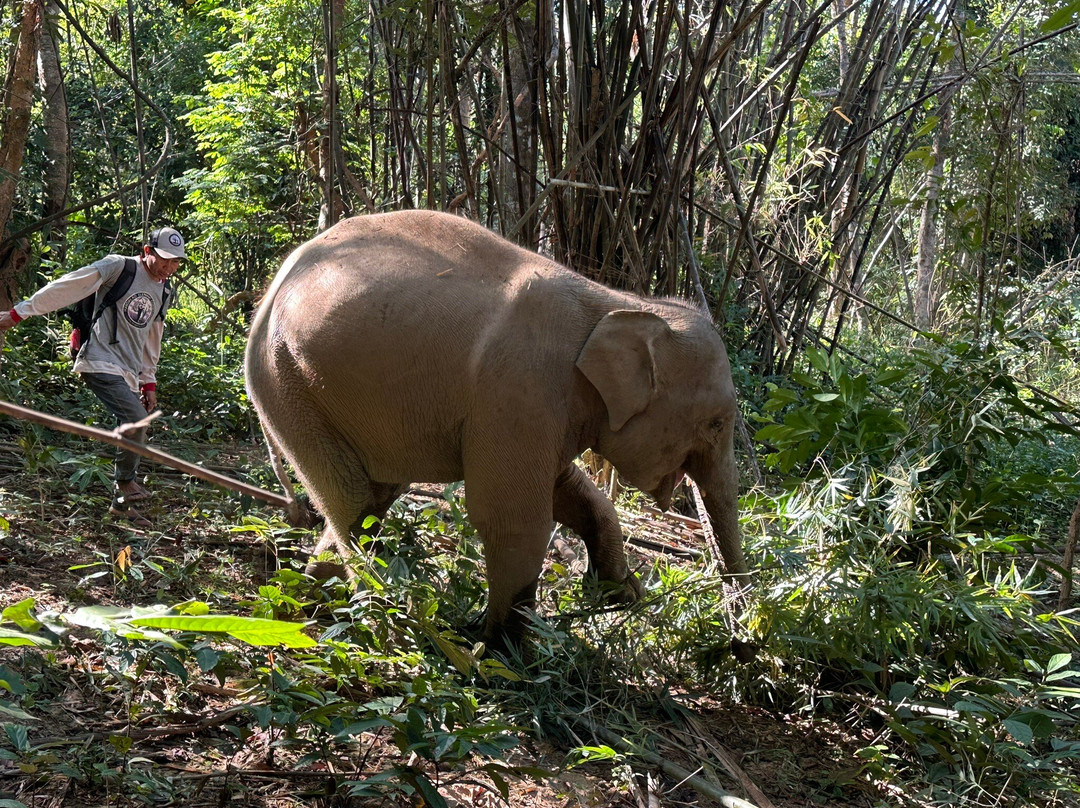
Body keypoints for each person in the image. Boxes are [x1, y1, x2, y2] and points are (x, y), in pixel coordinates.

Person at [0, 228, 185, 526]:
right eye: (165, 259)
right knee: (137, 420)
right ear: (148, 252)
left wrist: (147, 381)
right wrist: (20, 313)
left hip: (127, 370)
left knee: (130, 427)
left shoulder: (164, 291)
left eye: (176, 262)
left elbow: (153, 337)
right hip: (98, 360)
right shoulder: (119, 267)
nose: (169, 267)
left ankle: (120, 508)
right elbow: (69, 286)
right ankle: (125, 482)